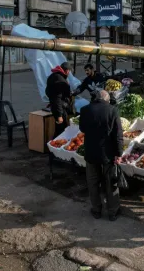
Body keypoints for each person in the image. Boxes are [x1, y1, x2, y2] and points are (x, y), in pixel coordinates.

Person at [79, 90, 124, 221]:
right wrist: (119, 153)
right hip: (108, 153)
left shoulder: (85, 110)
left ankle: (96, 210)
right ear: (107, 99)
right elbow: (118, 134)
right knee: (111, 182)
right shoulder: (112, 110)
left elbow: (82, 128)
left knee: (92, 181)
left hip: (91, 152)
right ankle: (113, 211)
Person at [45, 62, 72, 137]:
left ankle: (55, 145)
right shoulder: (61, 81)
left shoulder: (52, 76)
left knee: (59, 129)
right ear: (66, 71)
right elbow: (57, 99)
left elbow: (47, 91)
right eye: (69, 71)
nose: (69, 73)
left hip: (55, 106)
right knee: (61, 130)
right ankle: (55, 146)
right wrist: (59, 115)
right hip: (60, 108)